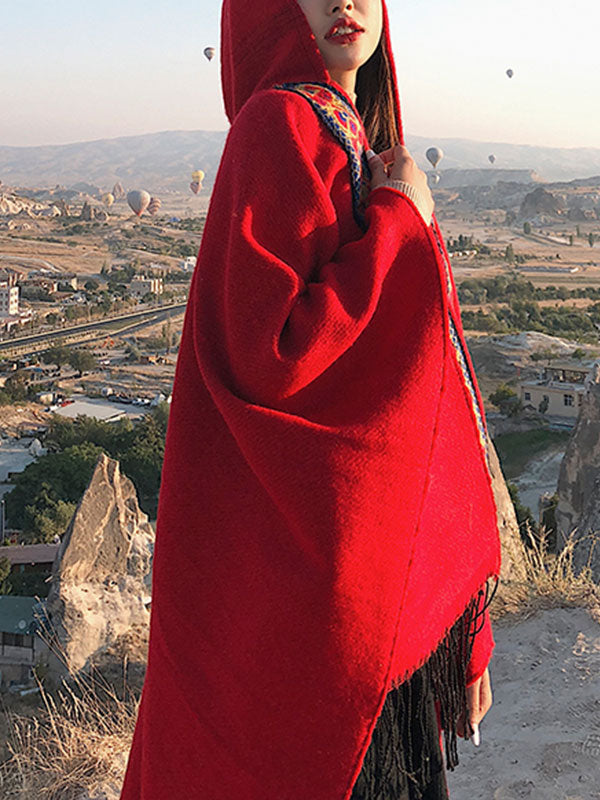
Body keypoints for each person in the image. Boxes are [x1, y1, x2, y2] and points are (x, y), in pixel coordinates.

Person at [119, 1, 502, 798]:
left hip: (363, 591)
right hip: (328, 611)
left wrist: (463, 636)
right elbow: (274, 357)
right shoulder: (280, 125)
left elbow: (420, 400)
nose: (344, 1)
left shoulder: (355, 141)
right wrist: (401, 221)